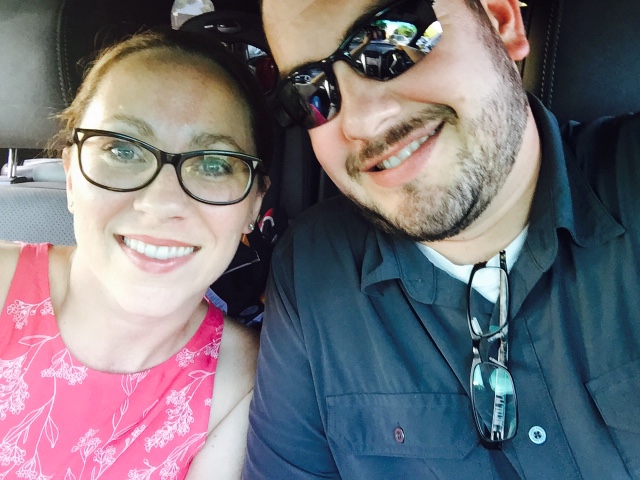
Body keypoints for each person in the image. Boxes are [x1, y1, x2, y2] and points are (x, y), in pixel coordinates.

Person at [243, 0, 640, 478]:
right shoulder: (312, 271)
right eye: (310, 91)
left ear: (501, 21)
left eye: (390, 41)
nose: (361, 121)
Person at [0, 28, 271, 479]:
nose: (161, 203)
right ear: (71, 177)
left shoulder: (243, 386)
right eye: (122, 150)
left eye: (213, 164)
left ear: (254, 206)